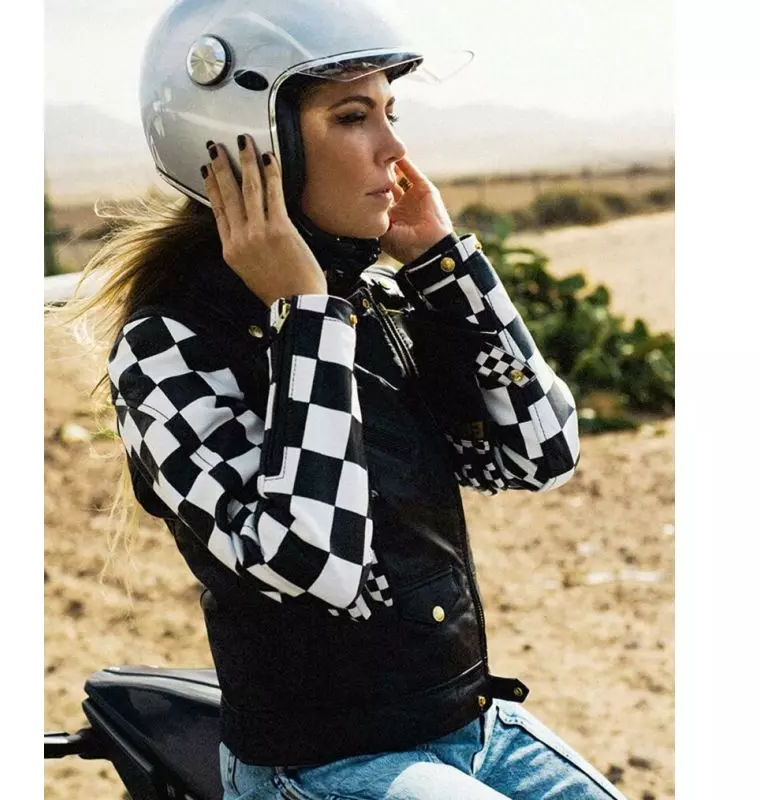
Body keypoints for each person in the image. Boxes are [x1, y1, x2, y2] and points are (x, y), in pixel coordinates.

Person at [74, 0, 628, 797]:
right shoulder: (168, 344)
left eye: (391, 113)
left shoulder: (368, 303)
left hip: (477, 730)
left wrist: (443, 264)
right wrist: (303, 317)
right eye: (353, 116)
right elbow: (312, 563)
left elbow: (539, 453)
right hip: (321, 764)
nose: (395, 150)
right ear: (250, 144)